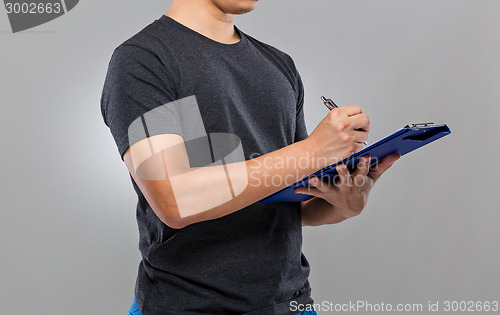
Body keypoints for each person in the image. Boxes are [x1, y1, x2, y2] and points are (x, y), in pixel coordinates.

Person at [100, 0, 400, 314]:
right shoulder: (145, 60)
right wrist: (313, 151)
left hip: (292, 304)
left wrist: (345, 203)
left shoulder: (278, 65)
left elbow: (298, 203)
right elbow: (175, 199)